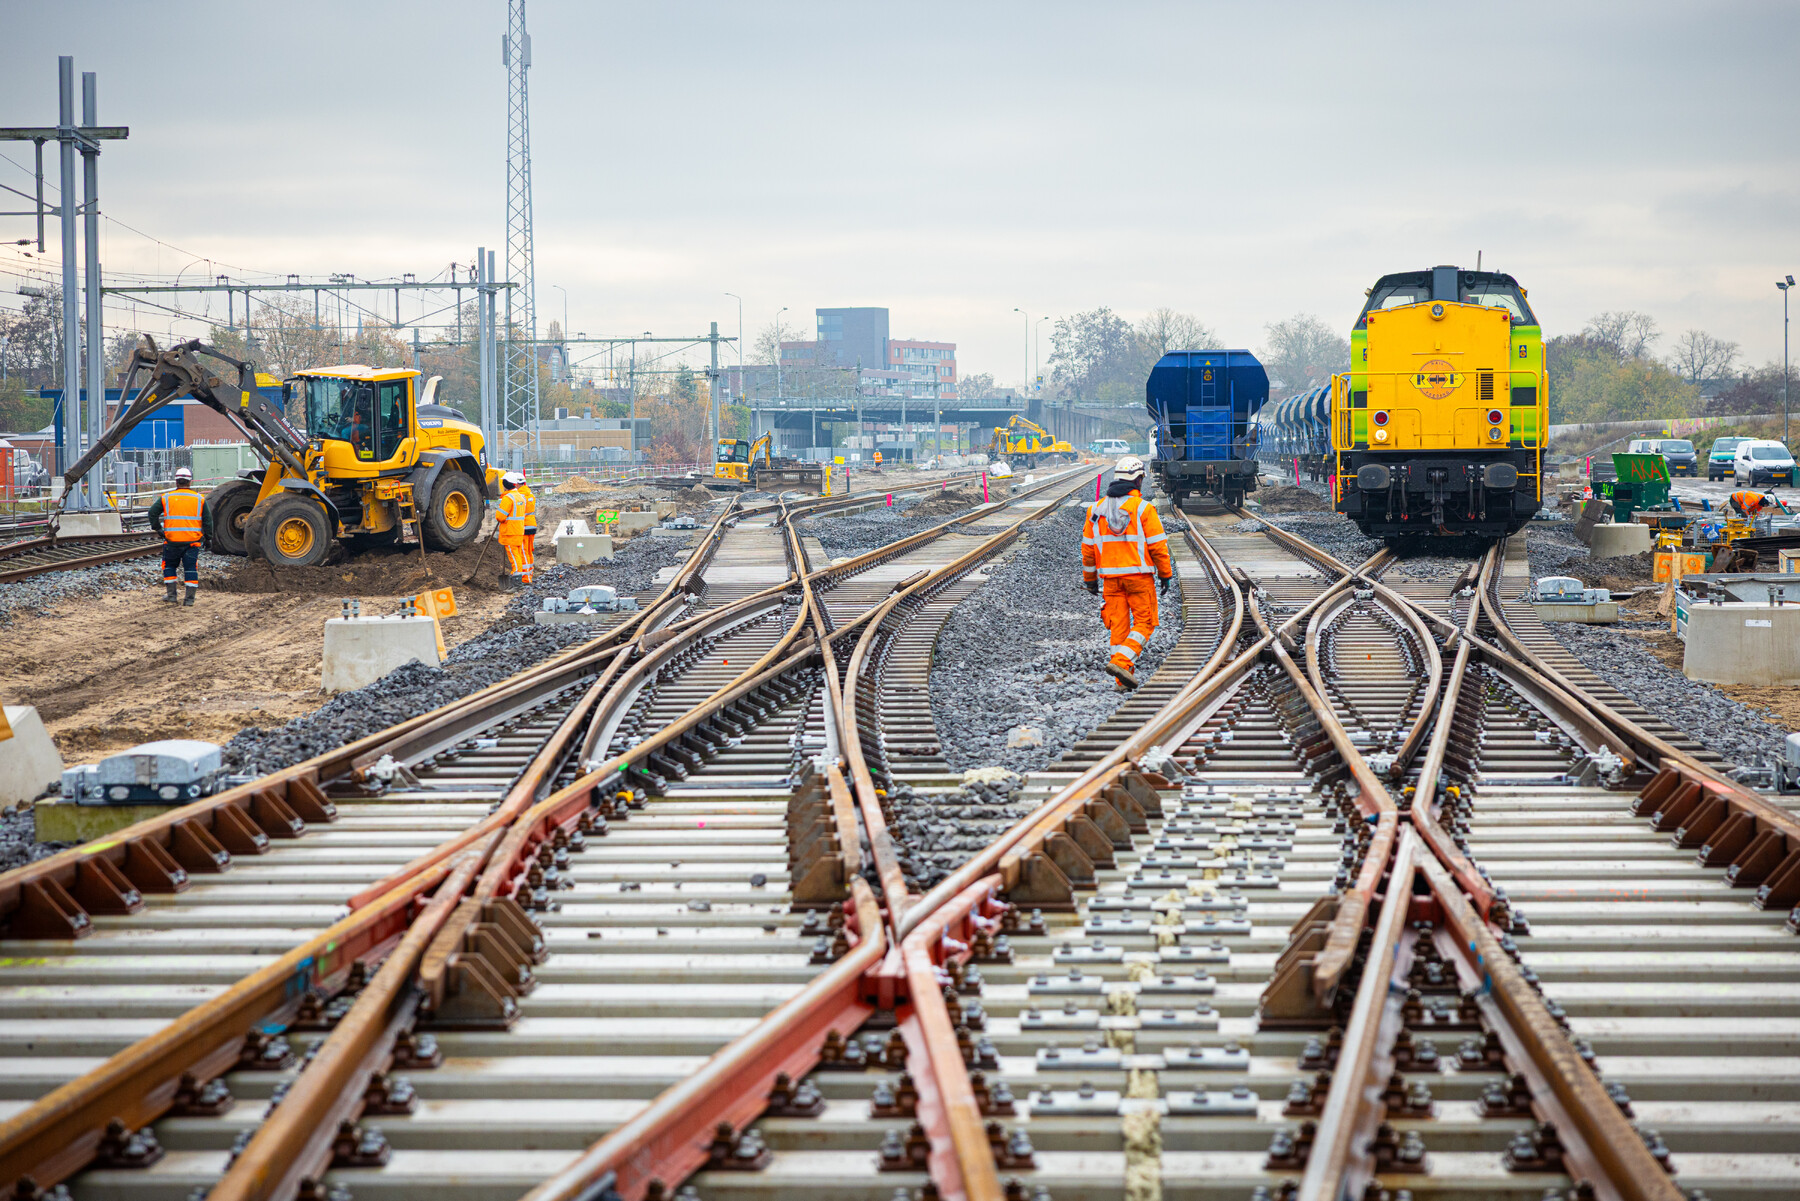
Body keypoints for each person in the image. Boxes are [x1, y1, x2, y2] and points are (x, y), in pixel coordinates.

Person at [1082, 456, 1173, 690]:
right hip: (1139, 578)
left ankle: (1121, 680)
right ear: (1138, 479)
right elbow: (1157, 546)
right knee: (1145, 623)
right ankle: (1122, 663)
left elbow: (1088, 551)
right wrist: (1165, 574)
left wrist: (1090, 581)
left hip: (1111, 581)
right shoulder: (1143, 508)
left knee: (1118, 627)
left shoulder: (1095, 510)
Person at [147, 466, 210, 606]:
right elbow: (208, 520)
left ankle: (171, 597)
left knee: (169, 566)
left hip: (172, 541)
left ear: (176, 482)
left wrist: (158, 528)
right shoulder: (199, 499)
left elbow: (152, 513)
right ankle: (189, 600)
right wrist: (209, 538)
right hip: (192, 542)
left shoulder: (166, 498)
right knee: (191, 569)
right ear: (190, 482)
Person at [494, 470, 535, 586]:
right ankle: (521, 578)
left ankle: (516, 581)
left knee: (514, 556)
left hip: (510, 532)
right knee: (517, 554)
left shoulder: (508, 498)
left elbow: (500, 516)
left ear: (505, 484)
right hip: (518, 531)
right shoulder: (519, 497)